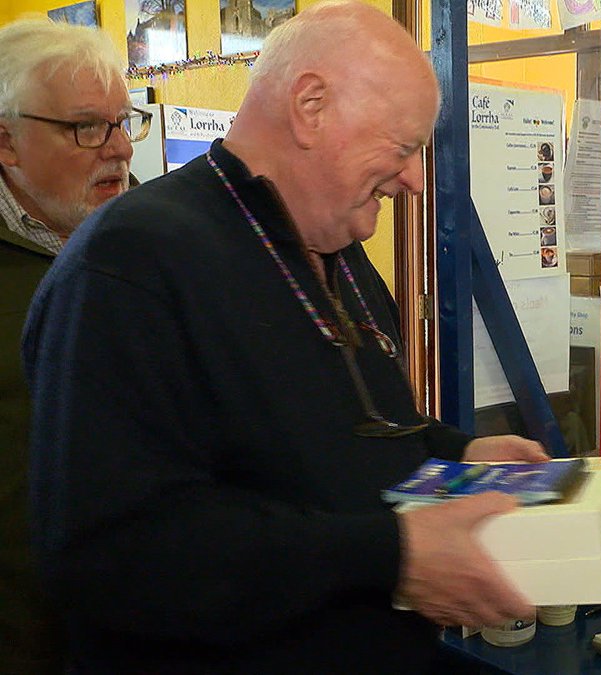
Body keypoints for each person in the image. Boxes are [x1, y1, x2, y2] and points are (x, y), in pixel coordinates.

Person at [22, 2, 547, 671]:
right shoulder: (129, 263)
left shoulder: (340, 248)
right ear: (310, 105)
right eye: (404, 146)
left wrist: (462, 451)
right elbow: (113, 552)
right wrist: (395, 554)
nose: (416, 180)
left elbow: (360, 429)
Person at [0, 18, 145, 674]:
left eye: (123, 121)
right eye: (87, 127)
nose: (118, 149)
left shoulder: (161, 243)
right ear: (7, 141)